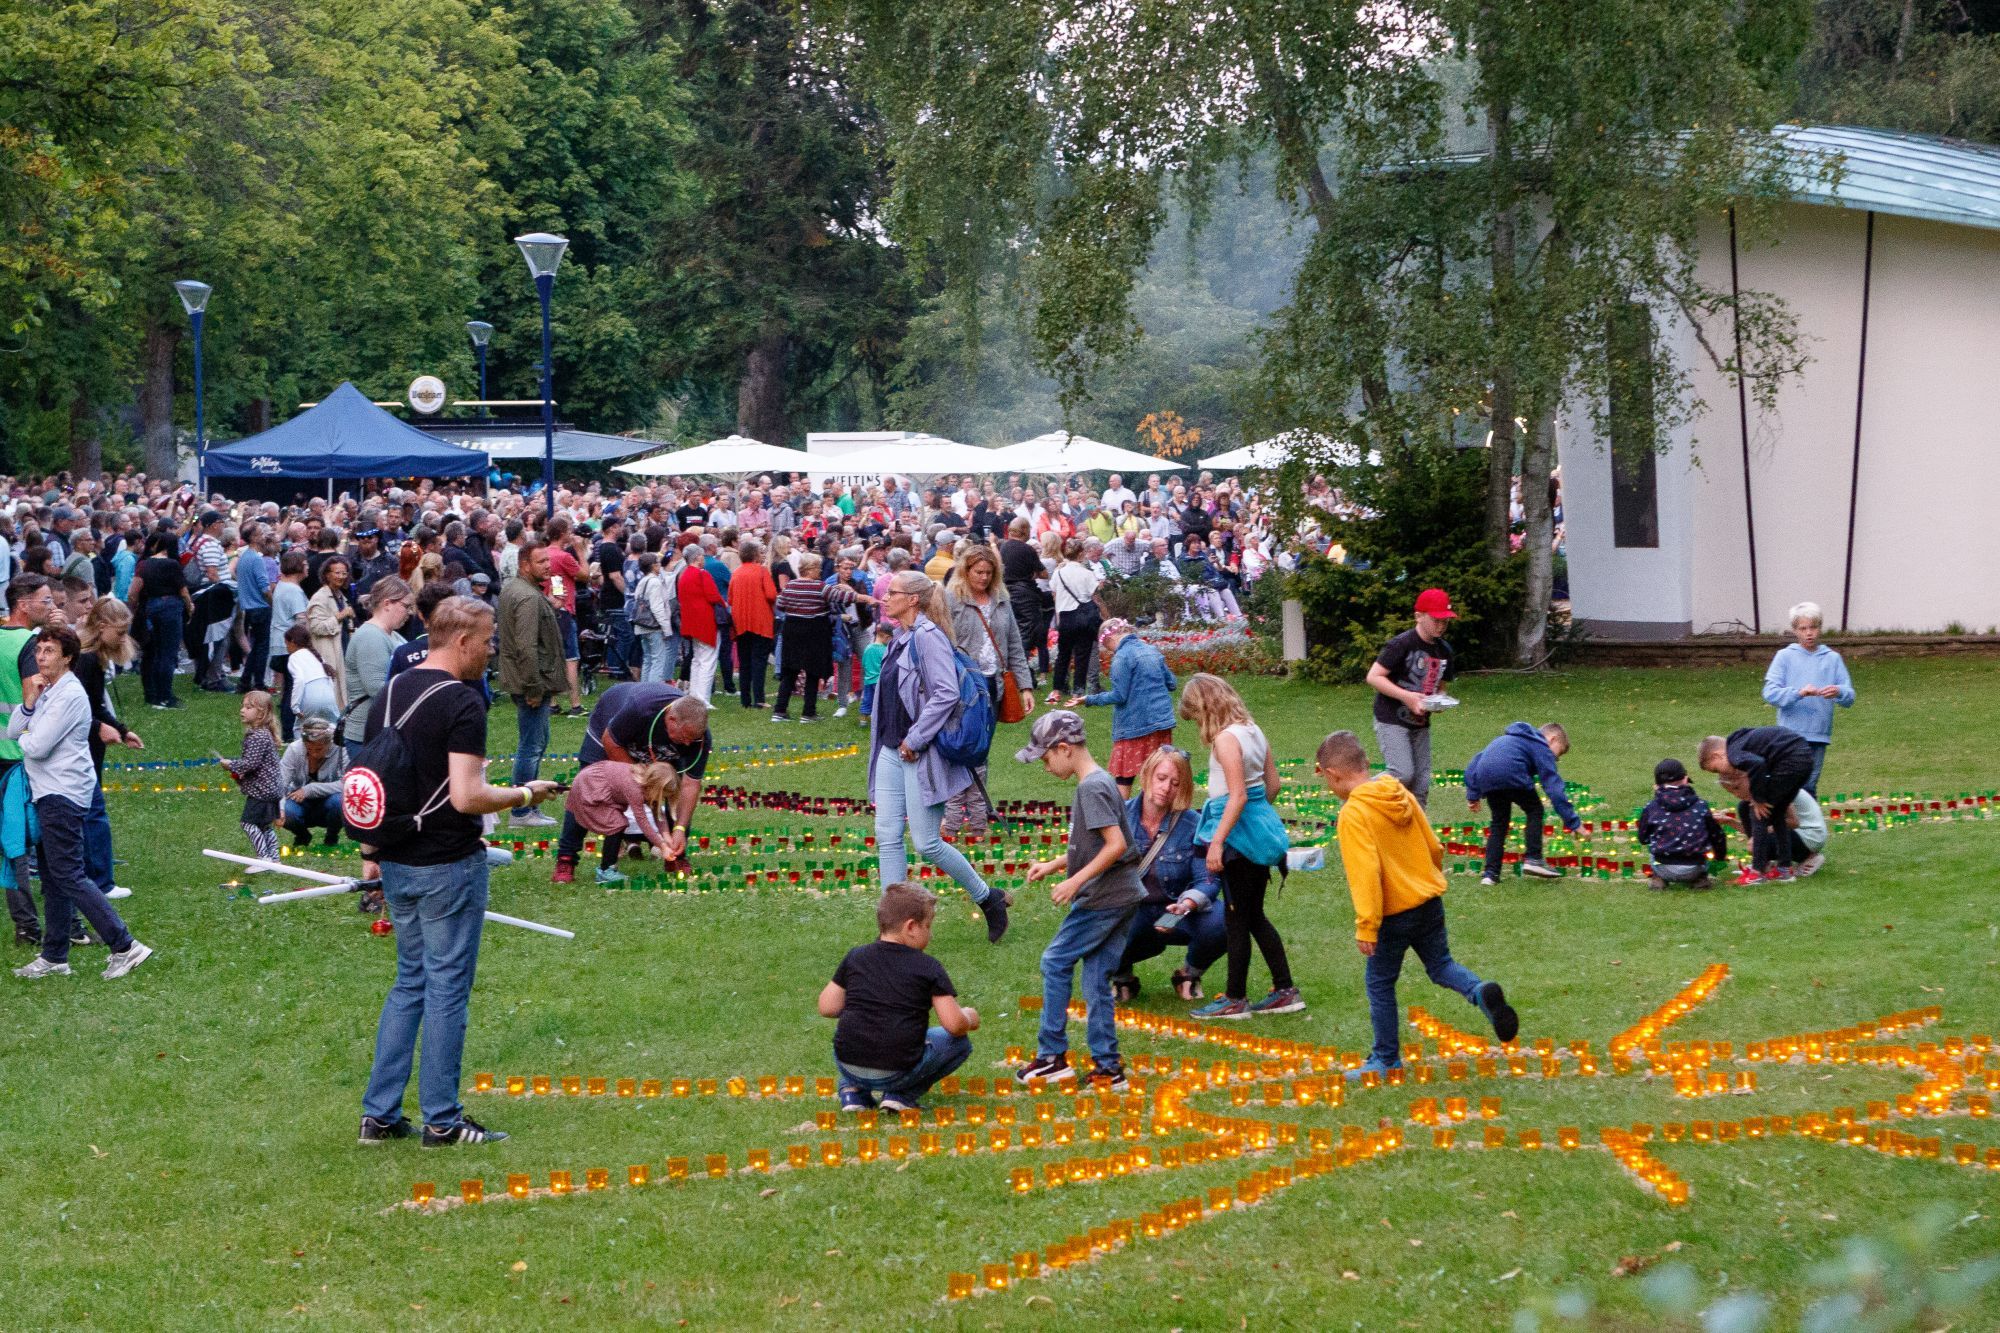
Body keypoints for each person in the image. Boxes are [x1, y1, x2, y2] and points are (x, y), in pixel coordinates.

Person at [356, 595, 562, 1147]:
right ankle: (442, 1121)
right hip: (447, 862)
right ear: (464, 641)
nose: (492, 651)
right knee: (447, 988)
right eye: (489, 640)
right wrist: (525, 793)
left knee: (410, 982)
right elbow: (468, 796)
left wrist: (373, 851)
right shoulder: (462, 702)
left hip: (397, 857)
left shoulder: (391, 691)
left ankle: (379, 1115)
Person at [1313, 729, 1516, 1079]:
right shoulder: (1398, 791)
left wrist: (1367, 925)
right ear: (1366, 762)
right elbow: (1433, 844)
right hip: (1428, 901)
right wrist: (1426, 878)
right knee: (1441, 965)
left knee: (1379, 983)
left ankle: (1386, 1059)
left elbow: (1366, 873)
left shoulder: (1354, 813)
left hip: (1393, 914)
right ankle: (1478, 990)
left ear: (1332, 774)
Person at [868, 570, 1009, 942]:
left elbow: (946, 693)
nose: (885, 597)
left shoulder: (928, 637)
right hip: (890, 750)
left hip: (919, 752)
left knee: (927, 842)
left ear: (913, 599)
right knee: (887, 835)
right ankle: (893, 931)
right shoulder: (898, 638)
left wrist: (915, 739)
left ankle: (988, 898)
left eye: (892, 592)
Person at [11, 628, 153, 981]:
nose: (40, 657)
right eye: (39, 650)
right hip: (47, 792)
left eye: (49, 651)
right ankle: (54, 956)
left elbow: (35, 746)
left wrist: (28, 734)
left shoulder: (70, 694)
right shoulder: (49, 691)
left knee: (68, 874)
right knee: (53, 877)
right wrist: (29, 704)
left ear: (67, 657)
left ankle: (125, 945)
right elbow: (15, 730)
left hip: (62, 793)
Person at [1014, 710, 1143, 1088]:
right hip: (1123, 893)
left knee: (1055, 961)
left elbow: (1115, 846)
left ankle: (1052, 1056)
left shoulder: (1091, 788)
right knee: (1096, 978)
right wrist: (1055, 865)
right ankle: (1109, 1067)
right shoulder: (1100, 781)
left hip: (1103, 897)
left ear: (1064, 748)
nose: (1045, 767)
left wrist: (1074, 882)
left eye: (1045, 758)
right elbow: (1095, 845)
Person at [1178, 673, 1298, 1019]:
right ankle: (1285, 990)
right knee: (1253, 916)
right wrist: (1258, 821)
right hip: (1255, 831)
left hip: (1237, 840)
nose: (1198, 725)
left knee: (1236, 920)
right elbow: (1272, 785)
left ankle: (1235, 998)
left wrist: (1218, 842)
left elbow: (1238, 795)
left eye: (1196, 717)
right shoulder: (1253, 730)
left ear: (1205, 708)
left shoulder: (1226, 739)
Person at [821, 882, 979, 1112]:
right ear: (911, 927)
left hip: (849, 1064)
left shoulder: (856, 957)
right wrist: (969, 1017)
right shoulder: (928, 967)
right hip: (897, 1070)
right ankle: (901, 1095)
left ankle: (853, 1092)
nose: (931, 934)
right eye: (928, 926)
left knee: (856, 1033)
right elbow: (954, 1025)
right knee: (959, 1043)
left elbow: (827, 1007)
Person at [550, 683, 711, 884]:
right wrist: (642, 783)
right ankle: (566, 859)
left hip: (653, 745)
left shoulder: (696, 737)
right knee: (587, 793)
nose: (688, 743)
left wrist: (679, 829)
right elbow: (611, 741)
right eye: (685, 736)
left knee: (669, 787)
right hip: (610, 732)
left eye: (693, 739)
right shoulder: (641, 708)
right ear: (671, 719)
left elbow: (690, 786)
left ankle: (677, 855)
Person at [1107, 745, 1226, 1005]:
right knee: (1095, 920)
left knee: (1224, 920)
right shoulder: (1118, 816)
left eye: (1175, 783)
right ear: (1146, 775)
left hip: (1175, 910)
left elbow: (1207, 880)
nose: (1166, 788)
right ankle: (1122, 977)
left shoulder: (1192, 823)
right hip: (1132, 910)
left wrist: (1186, 905)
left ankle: (1189, 974)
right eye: (1161, 778)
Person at [941, 544, 1032, 836]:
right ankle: (953, 817)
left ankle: (978, 818)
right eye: (978, 572)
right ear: (965, 571)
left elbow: (1014, 643)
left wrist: (1025, 685)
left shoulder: (1001, 599)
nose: (983, 577)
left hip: (993, 684)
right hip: (963, 685)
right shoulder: (951, 598)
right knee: (960, 747)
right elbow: (940, 643)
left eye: (989, 573)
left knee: (981, 750)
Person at [1365, 588, 1456, 809]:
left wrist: (1439, 701)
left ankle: (1417, 829)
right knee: (1402, 773)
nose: (1441, 626)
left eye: (1445, 621)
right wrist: (1406, 697)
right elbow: (1374, 677)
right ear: (1419, 616)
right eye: (1436, 620)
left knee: (1421, 784)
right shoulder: (1402, 644)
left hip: (1420, 722)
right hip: (1391, 718)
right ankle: (1358, 793)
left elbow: (1440, 687)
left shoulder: (1444, 650)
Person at [497, 538, 567, 827]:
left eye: (548, 560)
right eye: (541, 561)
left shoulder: (520, 590)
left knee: (535, 742)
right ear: (525, 565)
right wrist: (534, 687)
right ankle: (522, 811)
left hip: (528, 679)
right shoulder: (526, 596)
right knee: (532, 746)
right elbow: (526, 647)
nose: (548, 566)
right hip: (531, 682)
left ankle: (528, 807)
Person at [1463, 721, 1581, 884]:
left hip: (1487, 778)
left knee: (1499, 823)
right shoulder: (1540, 745)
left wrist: (1473, 795)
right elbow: (1552, 785)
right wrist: (1573, 822)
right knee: (1535, 810)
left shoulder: (1507, 739)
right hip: (1512, 773)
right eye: (1557, 754)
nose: (1555, 759)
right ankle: (1534, 859)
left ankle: (1490, 874)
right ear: (1552, 739)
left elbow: (1475, 763)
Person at [1760, 601, 1855, 796]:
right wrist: (1798, 693)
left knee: (1809, 786)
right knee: (1788, 784)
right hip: (1790, 735)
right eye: (1803, 629)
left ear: (1820, 628)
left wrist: (1838, 691)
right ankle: (1784, 815)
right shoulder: (1784, 656)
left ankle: (1809, 817)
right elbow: (1770, 693)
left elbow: (1849, 696)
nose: (1809, 633)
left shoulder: (1832, 658)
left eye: (1813, 627)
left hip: (1819, 733)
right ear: (1795, 630)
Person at [1698, 726, 1816, 881]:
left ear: (1717, 755)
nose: (1721, 773)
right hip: (1805, 760)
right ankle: (1784, 869)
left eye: (1715, 769)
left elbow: (1757, 764)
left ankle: (1757, 872)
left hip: (1789, 761)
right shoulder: (1740, 742)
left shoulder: (1733, 753)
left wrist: (1759, 799)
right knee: (1778, 813)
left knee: (1758, 812)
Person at [1080, 618, 1176, 797]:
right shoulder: (1151, 650)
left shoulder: (1122, 657)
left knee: (1124, 776)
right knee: (1157, 773)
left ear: (1110, 638)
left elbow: (1119, 696)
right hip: (1162, 722)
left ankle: (1119, 812)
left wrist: (1090, 699)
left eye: (1107, 647)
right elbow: (1172, 683)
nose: (1110, 651)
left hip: (1135, 725)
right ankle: (1157, 811)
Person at [564, 760, 681, 885]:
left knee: (618, 823)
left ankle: (608, 868)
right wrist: (662, 846)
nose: (662, 799)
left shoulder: (648, 784)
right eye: (663, 796)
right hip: (589, 787)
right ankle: (605, 870)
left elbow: (658, 814)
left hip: (594, 783)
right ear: (656, 787)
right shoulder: (635, 788)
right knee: (617, 824)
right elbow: (642, 820)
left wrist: (666, 836)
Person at [341, 576, 412, 760]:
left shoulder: (392, 635)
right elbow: (377, 688)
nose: (409, 612)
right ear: (387, 604)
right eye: (406, 606)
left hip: (383, 733)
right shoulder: (370, 637)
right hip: (368, 736)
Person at [1638, 758, 1727, 890]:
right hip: (1695, 867)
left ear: (1656, 785)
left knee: (1654, 846)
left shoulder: (1651, 807)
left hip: (1663, 867)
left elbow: (1643, 839)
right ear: (1685, 779)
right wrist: (1720, 857)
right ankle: (1700, 879)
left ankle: (1659, 878)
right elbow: (1717, 836)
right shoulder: (1700, 805)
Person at [126, 533, 194, 709]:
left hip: (150, 607)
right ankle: (165, 695)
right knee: (168, 652)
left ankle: (152, 693)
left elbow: (132, 592)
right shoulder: (172, 564)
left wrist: (136, 608)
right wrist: (190, 607)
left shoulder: (144, 564)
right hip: (170, 607)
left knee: (151, 651)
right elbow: (183, 592)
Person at [216, 690, 285, 860]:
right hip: (271, 790)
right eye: (243, 706)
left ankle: (263, 857)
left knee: (248, 824)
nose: (242, 710)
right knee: (264, 825)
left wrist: (230, 765)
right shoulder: (263, 733)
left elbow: (250, 763)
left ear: (261, 713)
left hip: (261, 792)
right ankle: (274, 858)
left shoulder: (258, 736)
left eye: (248, 707)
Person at [1717, 780, 1828, 881]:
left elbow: (1793, 822)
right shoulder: (1758, 793)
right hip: (1794, 831)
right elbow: (1756, 830)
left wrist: (1760, 837)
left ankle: (1808, 856)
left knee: (1756, 841)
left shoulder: (1773, 789)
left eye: (1737, 789)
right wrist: (1729, 821)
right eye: (1731, 792)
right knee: (1744, 807)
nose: (1736, 794)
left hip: (1810, 835)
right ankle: (1763, 863)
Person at [773, 551, 833, 722]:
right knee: (813, 673)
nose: (820, 571)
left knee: (789, 672)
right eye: (818, 568)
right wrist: (864, 598)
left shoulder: (790, 586)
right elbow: (841, 597)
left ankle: (779, 711)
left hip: (792, 632)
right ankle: (808, 712)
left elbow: (780, 605)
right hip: (815, 633)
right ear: (811, 569)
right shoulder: (821, 587)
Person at [279, 716, 348, 848]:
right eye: (309, 749)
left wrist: (310, 789)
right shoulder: (294, 749)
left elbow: (348, 783)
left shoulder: (341, 748)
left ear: (329, 743)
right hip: (299, 800)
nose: (314, 754)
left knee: (340, 802)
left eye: (319, 749)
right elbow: (281, 783)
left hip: (330, 798)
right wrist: (280, 808)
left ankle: (332, 835)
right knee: (287, 811)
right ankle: (302, 836)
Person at [1048, 538, 1101, 705]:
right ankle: (1078, 691)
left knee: (1063, 654)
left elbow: (1054, 594)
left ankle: (1056, 690)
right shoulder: (1087, 573)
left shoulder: (1058, 573)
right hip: (1084, 617)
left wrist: (1058, 616)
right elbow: (1095, 595)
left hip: (1065, 616)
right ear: (1081, 554)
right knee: (1082, 655)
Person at [675, 536, 727, 704]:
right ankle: (703, 699)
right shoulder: (701, 574)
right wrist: (724, 603)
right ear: (697, 557)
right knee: (707, 661)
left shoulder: (684, 574)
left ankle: (695, 695)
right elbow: (714, 596)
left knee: (697, 659)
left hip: (691, 621)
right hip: (705, 622)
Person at [268, 549, 310, 739]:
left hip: (279, 643)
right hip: (290, 645)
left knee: (288, 689)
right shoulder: (293, 590)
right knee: (293, 690)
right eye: (305, 564)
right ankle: (288, 731)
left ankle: (286, 729)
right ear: (298, 566)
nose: (308, 567)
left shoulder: (282, 586)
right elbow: (301, 619)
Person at [306, 554, 356, 711]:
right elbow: (316, 627)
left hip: (343, 649)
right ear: (327, 574)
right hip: (328, 654)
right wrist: (340, 616)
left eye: (344, 573)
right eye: (337, 573)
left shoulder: (340, 596)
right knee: (331, 696)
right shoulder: (320, 598)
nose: (341, 576)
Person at [629, 551, 677, 685]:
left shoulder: (643, 581)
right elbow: (657, 607)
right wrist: (666, 628)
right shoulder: (655, 582)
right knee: (658, 659)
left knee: (648, 659)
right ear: (653, 566)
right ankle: (653, 690)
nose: (660, 565)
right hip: (654, 626)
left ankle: (644, 688)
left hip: (642, 625)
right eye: (658, 563)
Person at [283, 623, 340, 725]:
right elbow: (329, 678)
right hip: (328, 697)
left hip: (311, 698)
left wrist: (295, 706)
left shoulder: (294, 657)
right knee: (333, 727)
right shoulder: (317, 656)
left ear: (293, 642)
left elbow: (300, 680)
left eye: (286, 644)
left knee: (301, 729)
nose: (286, 648)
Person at [860, 621, 891, 719]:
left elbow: (863, 663)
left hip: (868, 680)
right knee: (881, 700)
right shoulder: (885, 650)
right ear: (886, 637)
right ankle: (880, 717)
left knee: (867, 699)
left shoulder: (868, 648)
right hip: (880, 681)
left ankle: (863, 719)